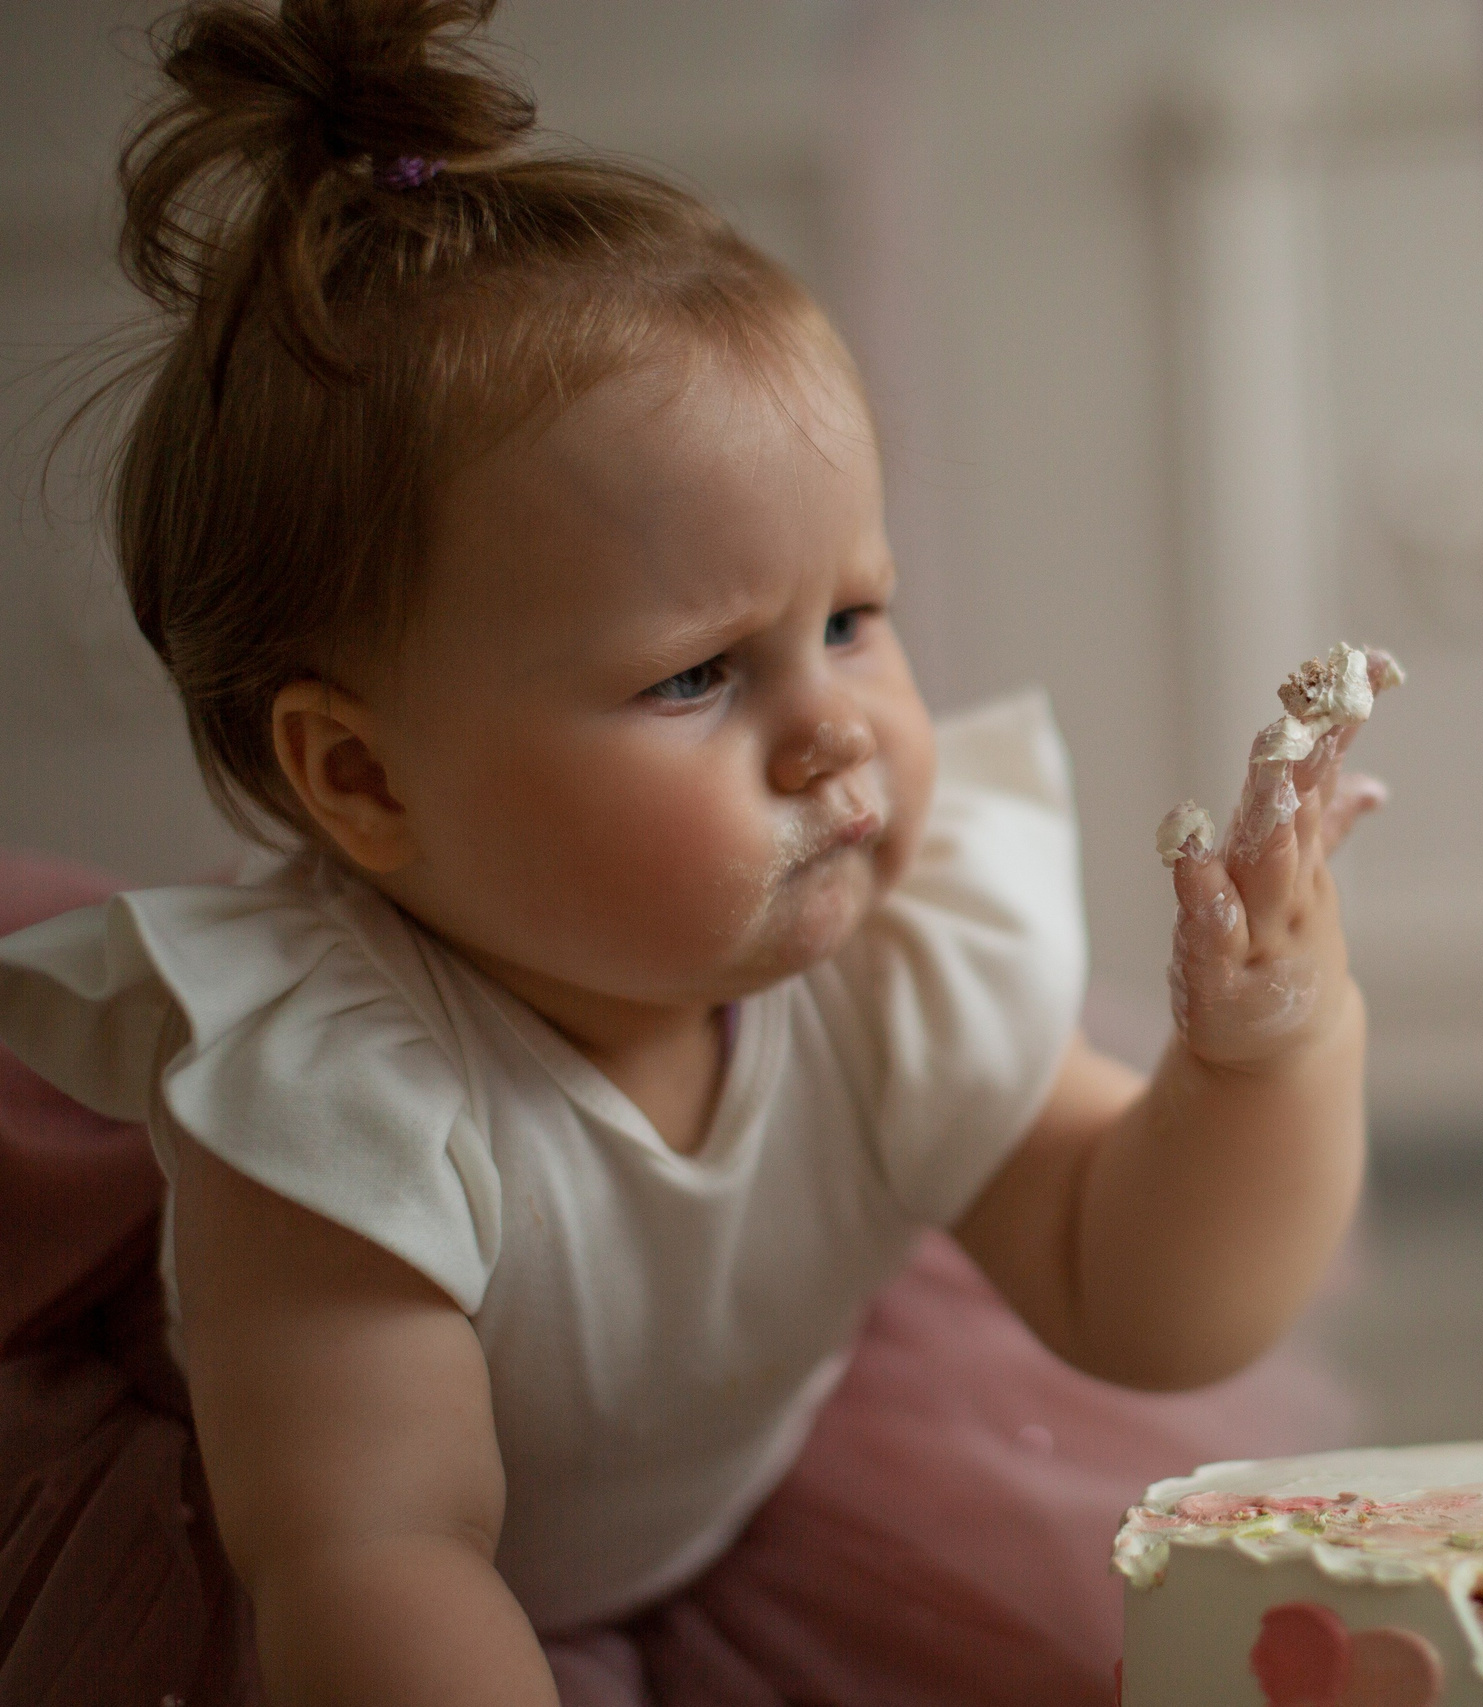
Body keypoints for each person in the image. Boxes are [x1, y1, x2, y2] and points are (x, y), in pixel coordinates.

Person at [0, 2, 1388, 1701]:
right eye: (699, 673)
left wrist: (1263, 1056)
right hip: (307, 1602)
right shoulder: (333, 1096)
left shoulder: (892, 956)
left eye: (854, 619)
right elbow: (384, 1554)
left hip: (713, 1521)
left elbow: (1143, 1293)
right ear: (361, 779)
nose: (837, 729)